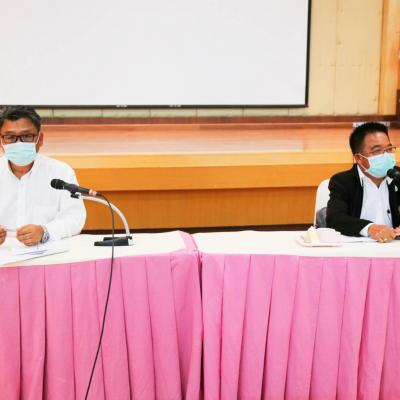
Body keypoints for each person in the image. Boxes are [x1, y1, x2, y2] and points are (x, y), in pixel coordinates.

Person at [0, 105, 86, 246]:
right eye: (10, 137)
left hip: (47, 251)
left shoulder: (61, 172)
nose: (18, 143)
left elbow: (75, 217)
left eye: (26, 136)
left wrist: (45, 232)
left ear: (40, 139)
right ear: (1, 141)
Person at [326, 121, 400, 243]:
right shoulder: (342, 181)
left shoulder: (397, 176)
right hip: (358, 247)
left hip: (394, 246)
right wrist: (370, 228)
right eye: (377, 151)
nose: (386, 155)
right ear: (359, 158)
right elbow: (335, 219)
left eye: (389, 149)